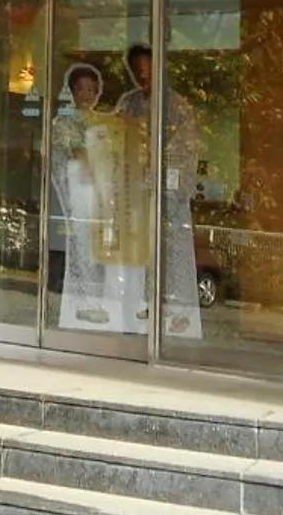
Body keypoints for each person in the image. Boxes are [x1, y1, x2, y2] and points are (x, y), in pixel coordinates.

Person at [114, 43, 203, 340]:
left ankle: (178, 316)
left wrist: (157, 169)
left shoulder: (177, 105)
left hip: (167, 193)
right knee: (142, 253)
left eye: (147, 68)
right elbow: (114, 138)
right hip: (135, 193)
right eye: (137, 69)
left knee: (172, 254)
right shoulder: (128, 101)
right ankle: (143, 309)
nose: (142, 74)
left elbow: (186, 148)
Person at [48, 62, 118, 330]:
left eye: (92, 89)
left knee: (97, 245)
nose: (87, 94)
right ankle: (85, 303)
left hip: (98, 187)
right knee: (85, 244)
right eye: (81, 89)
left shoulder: (99, 120)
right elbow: (79, 154)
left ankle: (93, 302)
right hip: (82, 187)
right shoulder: (66, 120)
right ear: (72, 91)